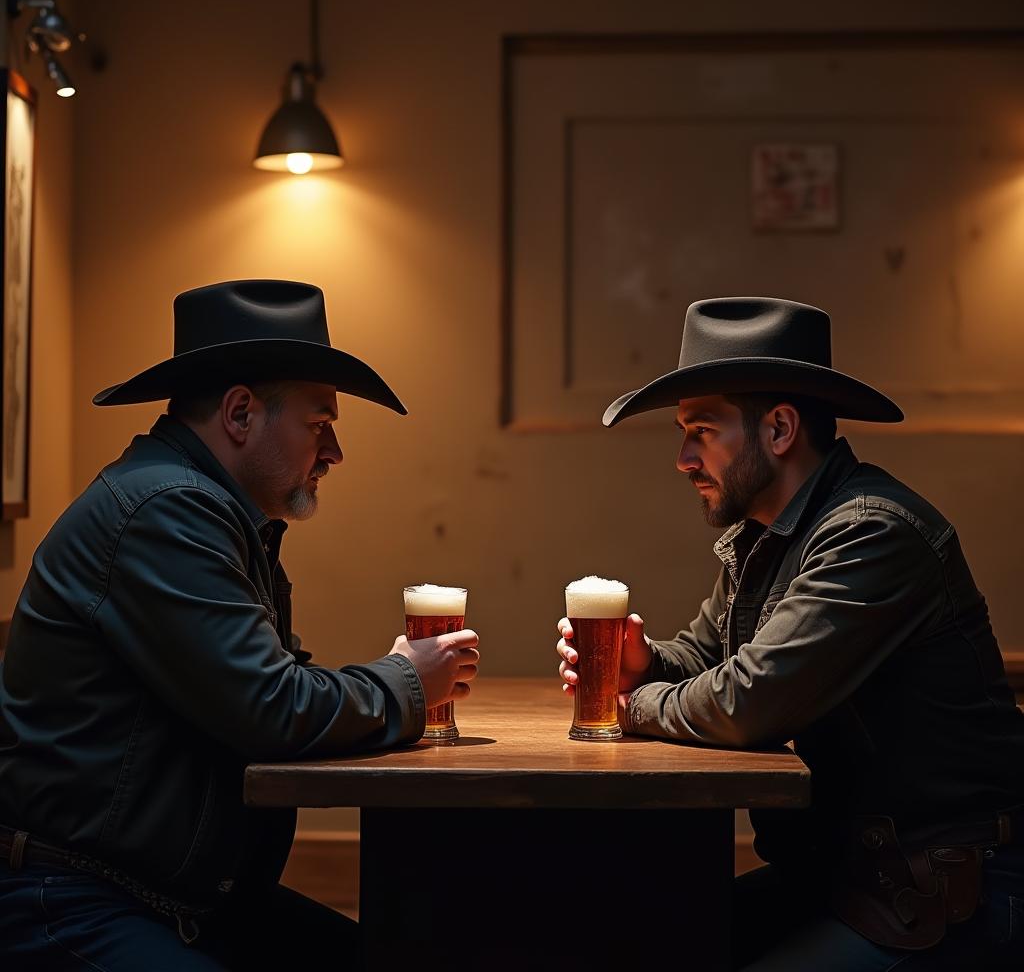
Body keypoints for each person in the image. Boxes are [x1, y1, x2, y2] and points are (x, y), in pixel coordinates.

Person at [0, 279, 480, 970]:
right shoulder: (166, 510)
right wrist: (407, 681)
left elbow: (263, 695)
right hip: (72, 900)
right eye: (320, 423)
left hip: (176, 900)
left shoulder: (203, 507)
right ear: (240, 413)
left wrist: (395, 683)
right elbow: (272, 707)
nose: (335, 450)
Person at [556, 297, 1024, 970]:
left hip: (947, 889)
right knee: (642, 943)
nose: (684, 458)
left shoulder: (869, 531)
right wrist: (646, 662)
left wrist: (624, 709)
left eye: (702, 431)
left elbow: (749, 700)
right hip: (852, 877)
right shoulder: (769, 535)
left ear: (779, 429)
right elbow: (706, 655)